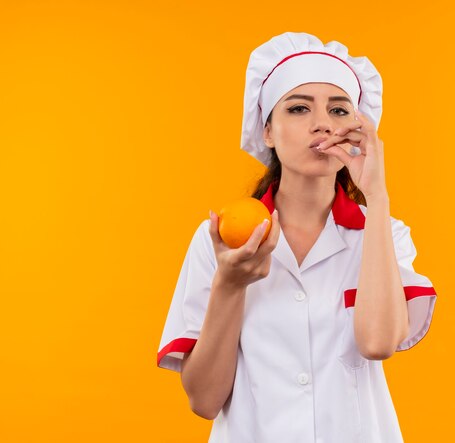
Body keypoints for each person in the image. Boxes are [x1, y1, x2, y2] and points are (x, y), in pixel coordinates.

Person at [157, 32, 438, 443]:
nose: (323, 122)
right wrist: (230, 285)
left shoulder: (383, 232)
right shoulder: (219, 239)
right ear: (267, 131)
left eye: (339, 109)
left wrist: (377, 197)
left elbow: (377, 343)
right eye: (299, 107)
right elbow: (204, 400)